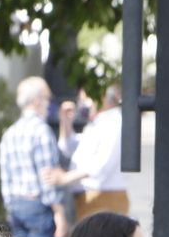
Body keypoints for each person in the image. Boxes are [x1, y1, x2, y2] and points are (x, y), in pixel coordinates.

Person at [0, 77, 66, 237]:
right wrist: (59, 212)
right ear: (37, 100)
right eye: (47, 99)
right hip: (38, 205)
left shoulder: (11, 132)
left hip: (16, 205)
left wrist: (10, 205)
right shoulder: (40, 131)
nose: (49, 104)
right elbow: (47, 176)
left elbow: (5, 176)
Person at [44, 86, 129, 220]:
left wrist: (64, 178)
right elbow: (71, 148)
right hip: (91, 198)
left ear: (103, 98)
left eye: (86, 99)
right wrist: (65, 122)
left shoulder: (114, 121)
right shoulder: (99, 122)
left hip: (103, 198)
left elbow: (101, 165)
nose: (82, 104)